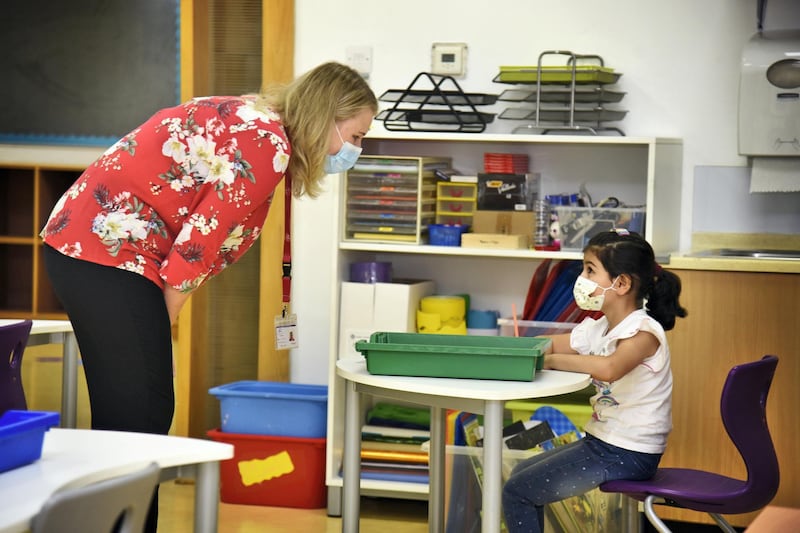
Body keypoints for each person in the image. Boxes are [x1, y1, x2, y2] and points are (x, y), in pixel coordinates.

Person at [39, 61, 377, 532]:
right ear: (327, 116)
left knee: (137, 412)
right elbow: (200, 240)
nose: (355, 149)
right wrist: (164, 321)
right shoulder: (268, 144)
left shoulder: (255, 118)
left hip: (93, 243)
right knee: (140, 412)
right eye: (356, 136)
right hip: (106, 250)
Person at [502, 229, 687, 533]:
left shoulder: (643, 331)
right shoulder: (600, 327)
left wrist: (548, 360)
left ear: (622, 283)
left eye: (590, 269)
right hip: (605, 443)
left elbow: (609, 368)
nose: (582, 278)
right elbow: (555, 343)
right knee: (520, 474)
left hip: (628, 452)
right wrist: (522, 345)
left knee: (517, 492)